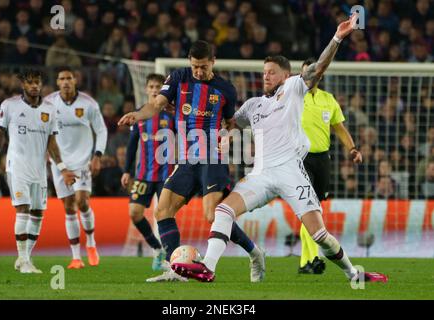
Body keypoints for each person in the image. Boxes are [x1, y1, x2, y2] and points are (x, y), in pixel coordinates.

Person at [171, 14, 388, 284]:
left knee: (319, 235)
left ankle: (354, 273)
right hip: (261, 175)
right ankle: (208, 267)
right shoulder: (253, 105)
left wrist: (337, 37)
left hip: (290, 173)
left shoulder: (295, 88)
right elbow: (228, 123)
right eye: (264, 73)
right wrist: (223, 135)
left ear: (286, 75)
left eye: (272, 72)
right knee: (223, 211)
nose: (266, 77)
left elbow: (318, 68)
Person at [118, 40, 265, 282]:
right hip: (186, 160)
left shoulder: (225, 89)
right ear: (190, 62)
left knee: (212, 215)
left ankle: (255, 253)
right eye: (195, 66)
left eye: (203, 67)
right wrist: (137, 115)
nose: (198, 71)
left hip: (212, 159)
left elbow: (229, 123)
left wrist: (227, 136)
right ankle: (174, 268)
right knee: (163, 211)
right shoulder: (179, 77)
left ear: (213, 62)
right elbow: (156, 104)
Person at [0, 69, 76, 273]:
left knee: (38, 213)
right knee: (23, 209)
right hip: (17, 167)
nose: (35, 86)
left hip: (39, 169)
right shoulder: (9, 106)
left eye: (37, 82)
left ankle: (25, 258)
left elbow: (51, 142)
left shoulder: (50, 109)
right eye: (30, 83)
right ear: (23, 85)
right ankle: (23, 259)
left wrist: (62, 168)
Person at [298, 58, 363, 275]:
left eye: (314, 73)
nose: (310, 76)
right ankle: (312, 258)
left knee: (315, 208)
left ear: (320, 75)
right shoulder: (293, 97)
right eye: (306, 73)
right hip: (300, 158)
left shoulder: (328, 99)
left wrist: (353, 149)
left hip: (322, 159)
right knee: (310, 207)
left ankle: (307, 262)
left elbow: (339, 128)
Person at [44, 67, 108, 269]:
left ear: (75, 81)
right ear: (57, 82)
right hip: (59, 162)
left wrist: (97, 156)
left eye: (69, 78)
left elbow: (101, 130)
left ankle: (91, 243)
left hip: (82, 161)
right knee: (68, 207)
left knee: (81, 202)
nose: (65, 82)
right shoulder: (48, 103)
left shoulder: (88, 104)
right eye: (61, 78)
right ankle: (76, 257)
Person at [120, 73, 173, 271]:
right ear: (146, 89)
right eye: (151, 86)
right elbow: (132, 144)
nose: (154, 89)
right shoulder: (139, 115)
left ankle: (169, 257)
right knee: (134, 213)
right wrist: (126, 170)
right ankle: (157, 248)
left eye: (158, 86)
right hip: (143, 174)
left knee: (165, 216)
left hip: (166, 175)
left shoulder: (171, 115)